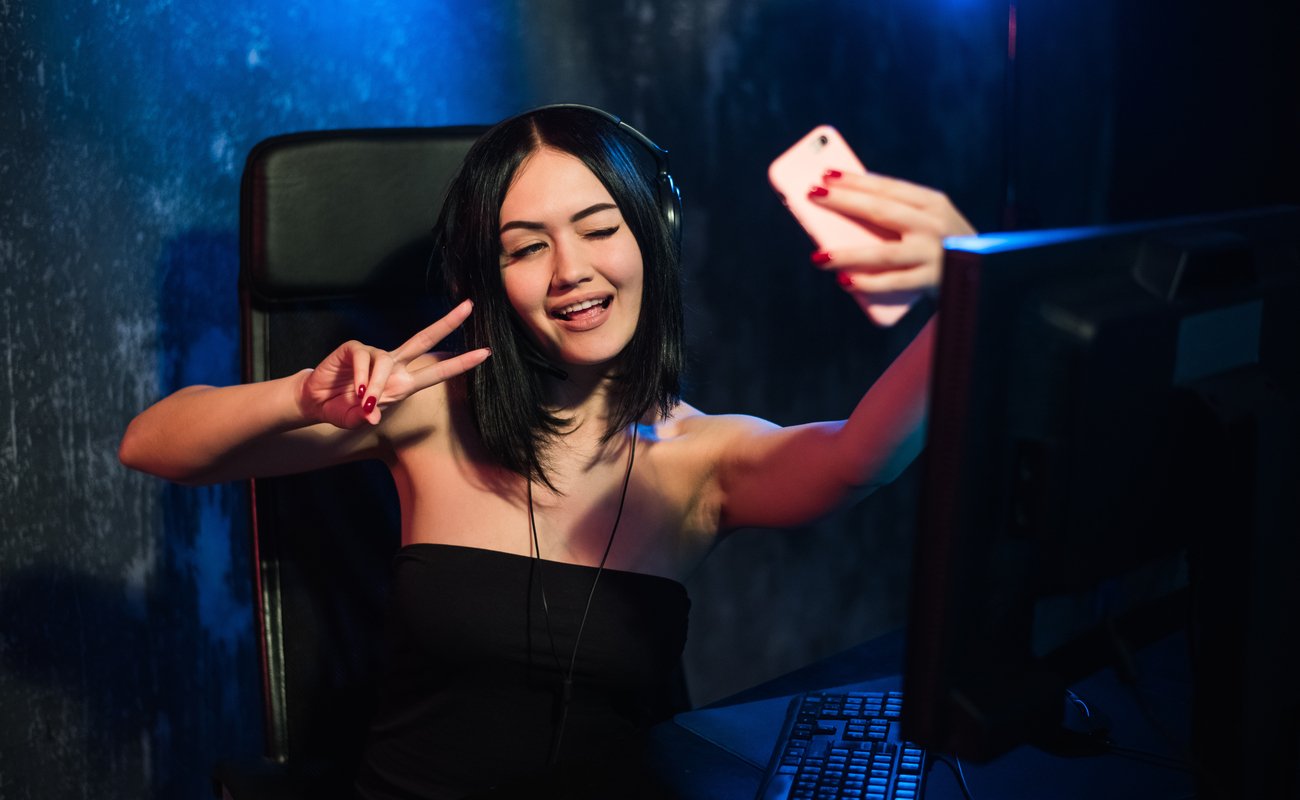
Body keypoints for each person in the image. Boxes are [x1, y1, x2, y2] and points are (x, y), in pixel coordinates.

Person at [118, 106, 975, 799]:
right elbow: (155, 445)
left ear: (651, 238)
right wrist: (299, 395)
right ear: (493, 281)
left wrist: (970, 285)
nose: (570, 270)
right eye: (527, 247)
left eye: (599, 229)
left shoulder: (702, 462)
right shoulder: (425, 415)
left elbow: (864, 456)